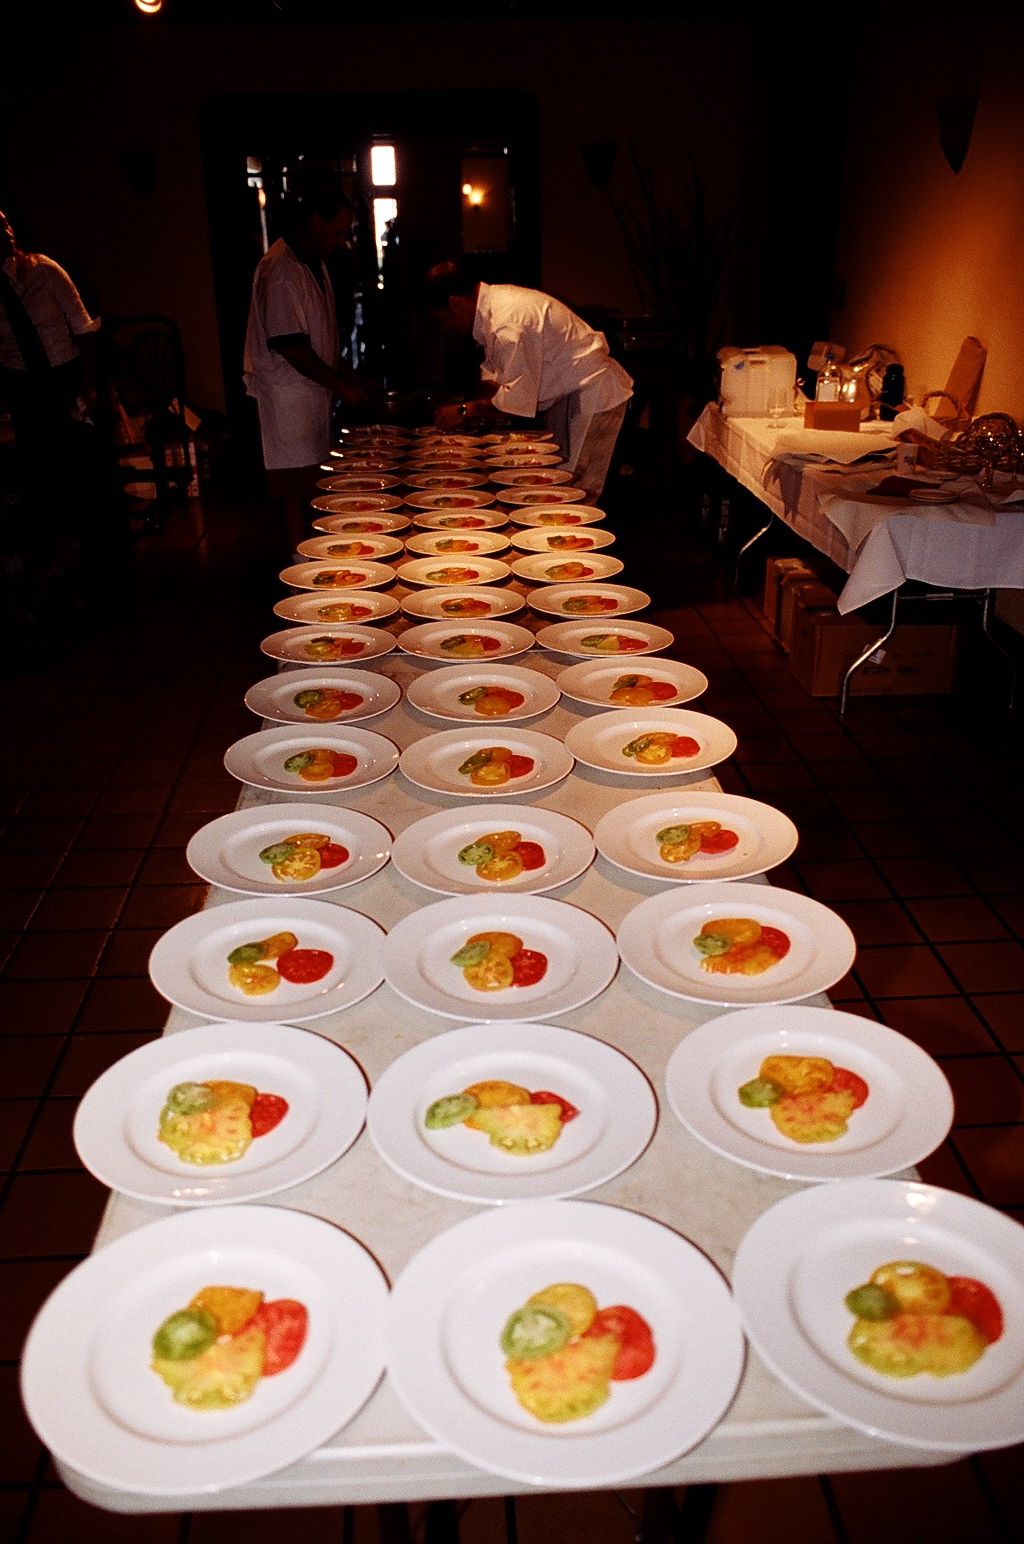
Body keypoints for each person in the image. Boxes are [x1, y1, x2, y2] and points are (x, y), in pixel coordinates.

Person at [244, 184, 382, 549]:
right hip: (287, 397)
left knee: (315, 483)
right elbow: (290, 345)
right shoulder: (281, 270)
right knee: (295, 487)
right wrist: (341, 386)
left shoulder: (313, 263)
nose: (342, 241)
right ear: (316, 221)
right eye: (338, 232)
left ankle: (322, 551)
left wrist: (351, 378)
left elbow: (320, 341)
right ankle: (300, 562)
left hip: (309, 394)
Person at [425, 262, 633, 502]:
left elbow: (513, 402)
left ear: (455, 304)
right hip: (567, 395)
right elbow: (494, 378)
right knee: (556, 481)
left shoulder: (507, 321)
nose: (446, 328)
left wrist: (463, 411)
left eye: (443, 320)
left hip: (594, 394)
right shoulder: (493, 307)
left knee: (578, 491)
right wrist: (470, 407)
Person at [0, 208, 100, 483]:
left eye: (6, 224)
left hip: (62, 371)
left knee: (72, 453)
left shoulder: (43, 269)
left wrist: (88, 383)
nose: (6, 233)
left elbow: (84, 326)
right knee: (37, 460)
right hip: (21, 380)